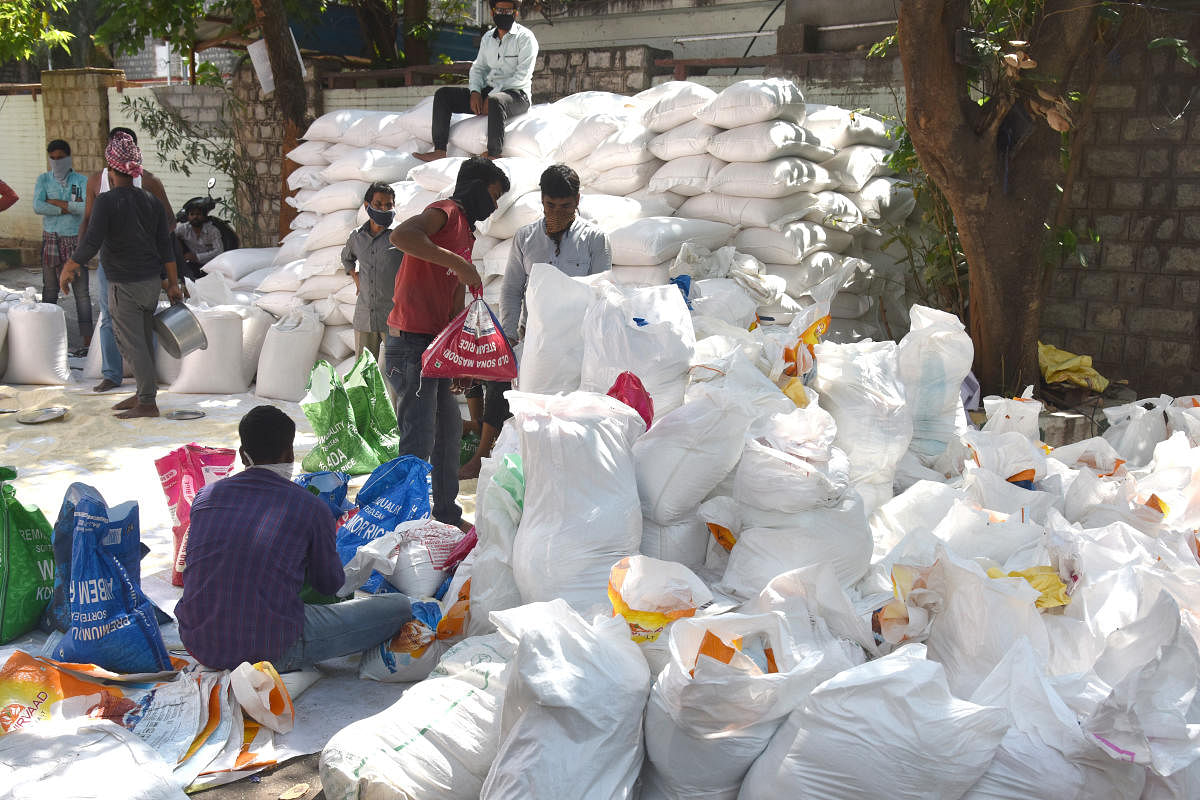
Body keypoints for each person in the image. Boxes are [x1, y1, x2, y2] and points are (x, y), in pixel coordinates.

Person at [175, 405, 414, 671]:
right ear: (289, 453)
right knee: (399, 607)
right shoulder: (310, 507)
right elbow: (329, 586)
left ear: (244, 455)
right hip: (270, 648)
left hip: (198, 641)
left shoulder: (205, 498)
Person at [457, 164, 612, 478]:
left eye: (565, 206)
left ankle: (573, 463)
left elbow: (602, 292)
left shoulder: (594, 239)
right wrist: (509, 334)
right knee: (500, 377)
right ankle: (485, 452)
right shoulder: (526, 238)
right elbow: (512, 288)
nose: (557, 212)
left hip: (577, 339)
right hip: (534, 336)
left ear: (578, 200)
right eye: (551, 205)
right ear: (541, 201)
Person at [385, 156, 509, 529]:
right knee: (419, 441)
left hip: (432, 349)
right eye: (492, 195)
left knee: (448, 433)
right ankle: (408, 523)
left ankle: (444, 516)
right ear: (474, 188)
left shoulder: (466, 232)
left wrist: (454, 357)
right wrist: (458, 261)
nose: (495, 206)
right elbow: (401, 236)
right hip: (410, 345)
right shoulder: (445, 211)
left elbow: (454, 297)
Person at [59, 132, 181, 419]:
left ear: (111, 170)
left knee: (131, 342)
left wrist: (69, 267)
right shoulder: (150, 201)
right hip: (151, 282)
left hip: (123, 284)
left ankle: (148, 402)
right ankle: (142, 393)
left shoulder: (106, 201)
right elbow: (166, 245)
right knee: (141, 338)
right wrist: (173, 284)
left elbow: (91, 241)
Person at [413, 0, 537, 162]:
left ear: (515, 13)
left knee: (495, 101)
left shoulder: (525, 38)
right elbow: (479, 69)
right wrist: (475, 92)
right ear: (493, 12)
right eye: (500, 10)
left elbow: (522, 75)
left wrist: (491, 94)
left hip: (517, 95)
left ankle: (493, 153)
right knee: (443, 95)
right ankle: (440, 150)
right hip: (490, 93)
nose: (503, 14)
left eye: (508, 11)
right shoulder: (487, 38)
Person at [33, 139, 92, 356]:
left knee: (82, 294)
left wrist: (56, 203)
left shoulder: (81, 181)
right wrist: (67, 208)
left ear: (69, 158)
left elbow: (84, 207)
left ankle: (87, 342)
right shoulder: (43, 179)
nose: (57, 162)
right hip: (51, 240)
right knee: (49, 289)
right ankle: (45, 336)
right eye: (53, 159)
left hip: (75, 242)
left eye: (61, 158)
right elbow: (37, 206)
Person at [341, 182, 404, 360]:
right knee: (364, 375)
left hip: (394, 318)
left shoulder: (401, 235)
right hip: (365, 317)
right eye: (378, 205)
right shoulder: (356, 237)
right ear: (367, 206)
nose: (384, 209)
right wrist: (355, 277)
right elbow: (347, 257)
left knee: (397, 376)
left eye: (388, 205)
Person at [175, 198, 225, 281]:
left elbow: (219, 251)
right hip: (190, 265)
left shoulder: (212, 231)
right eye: (192, 214)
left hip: (211, 265)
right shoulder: (183, 228)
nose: (195, 217)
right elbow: (169, 234)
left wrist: (197, 257)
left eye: (198, 214)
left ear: (204, 216)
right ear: (188, 216)